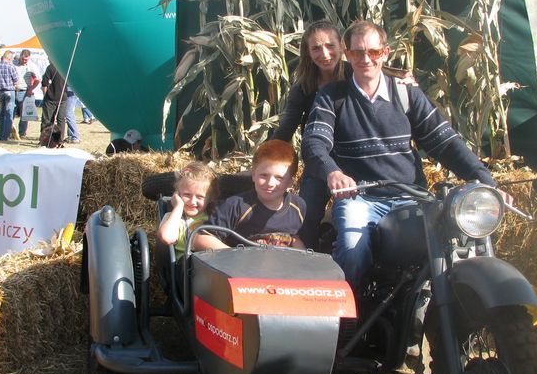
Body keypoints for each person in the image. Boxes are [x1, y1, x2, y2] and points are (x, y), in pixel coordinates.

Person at [302, 20, 497, 288]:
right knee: (353, 249)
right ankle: (351, 322)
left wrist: (484, 180)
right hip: (361, 199)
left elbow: (445, 142)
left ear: (386, 52)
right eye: (357, 52)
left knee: (450, 244)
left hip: (411, 198)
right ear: (347, 55)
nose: (365, 59)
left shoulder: (407, 95)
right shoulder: (331, 97)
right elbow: (314, 143)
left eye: (373, 52)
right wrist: (333, 172)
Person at [273, 20, 350, 249]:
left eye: (330, 45)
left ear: (342, 46)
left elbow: (388, 81)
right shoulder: (304, 87)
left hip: (353, 164)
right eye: (316, 48)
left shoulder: (357, 76)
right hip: (319, 161)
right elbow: (287, 127)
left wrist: (405, 81)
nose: (324, 54)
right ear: (307, 52)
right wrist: (263, 160)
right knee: (304, 218)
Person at [193, 139, 306, 250]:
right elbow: (201, 238)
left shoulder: (298, 207)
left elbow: (295, 238)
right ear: (253, 174)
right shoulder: (236, 206)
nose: (270, 183)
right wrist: (233, 257)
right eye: (264, 175)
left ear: (291, 181)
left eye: (279, 178)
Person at [157, 161, 215, 259]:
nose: (193, 202)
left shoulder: (214, 216)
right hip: (187, 266)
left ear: (209, 198)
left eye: (200, 197)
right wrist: (178, 206)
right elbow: (166, 237)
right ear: (177, 194)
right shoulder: (174, 218)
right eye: (187, 195)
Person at [0, 50, 19, 141]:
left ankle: (0, 135)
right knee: (9, 114)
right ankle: (5, 136)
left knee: (1, 114)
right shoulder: (11, 67)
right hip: (9, 91)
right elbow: (16, 80)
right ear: (9, 58)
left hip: (0, 92)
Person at [13, 49, 41, 138]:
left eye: (26, 59)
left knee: (24, 114)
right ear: (20, 56)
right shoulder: (14, 63)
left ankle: (22, 133)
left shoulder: (32, 66)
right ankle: (11, 131)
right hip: (13, 90)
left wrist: (31, 89)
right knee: (11, 112)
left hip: (24, 91)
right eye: (23, 59)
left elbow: (38, 79)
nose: (24, 61)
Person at [39, 62, 68, 145]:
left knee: (46, 120)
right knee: (61, 120)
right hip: (62, 97)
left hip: (51, 98)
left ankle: (44, 140)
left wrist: (45, 95)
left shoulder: (50, 67)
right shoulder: (65, 67)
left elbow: (44, 83)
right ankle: (60, 140)